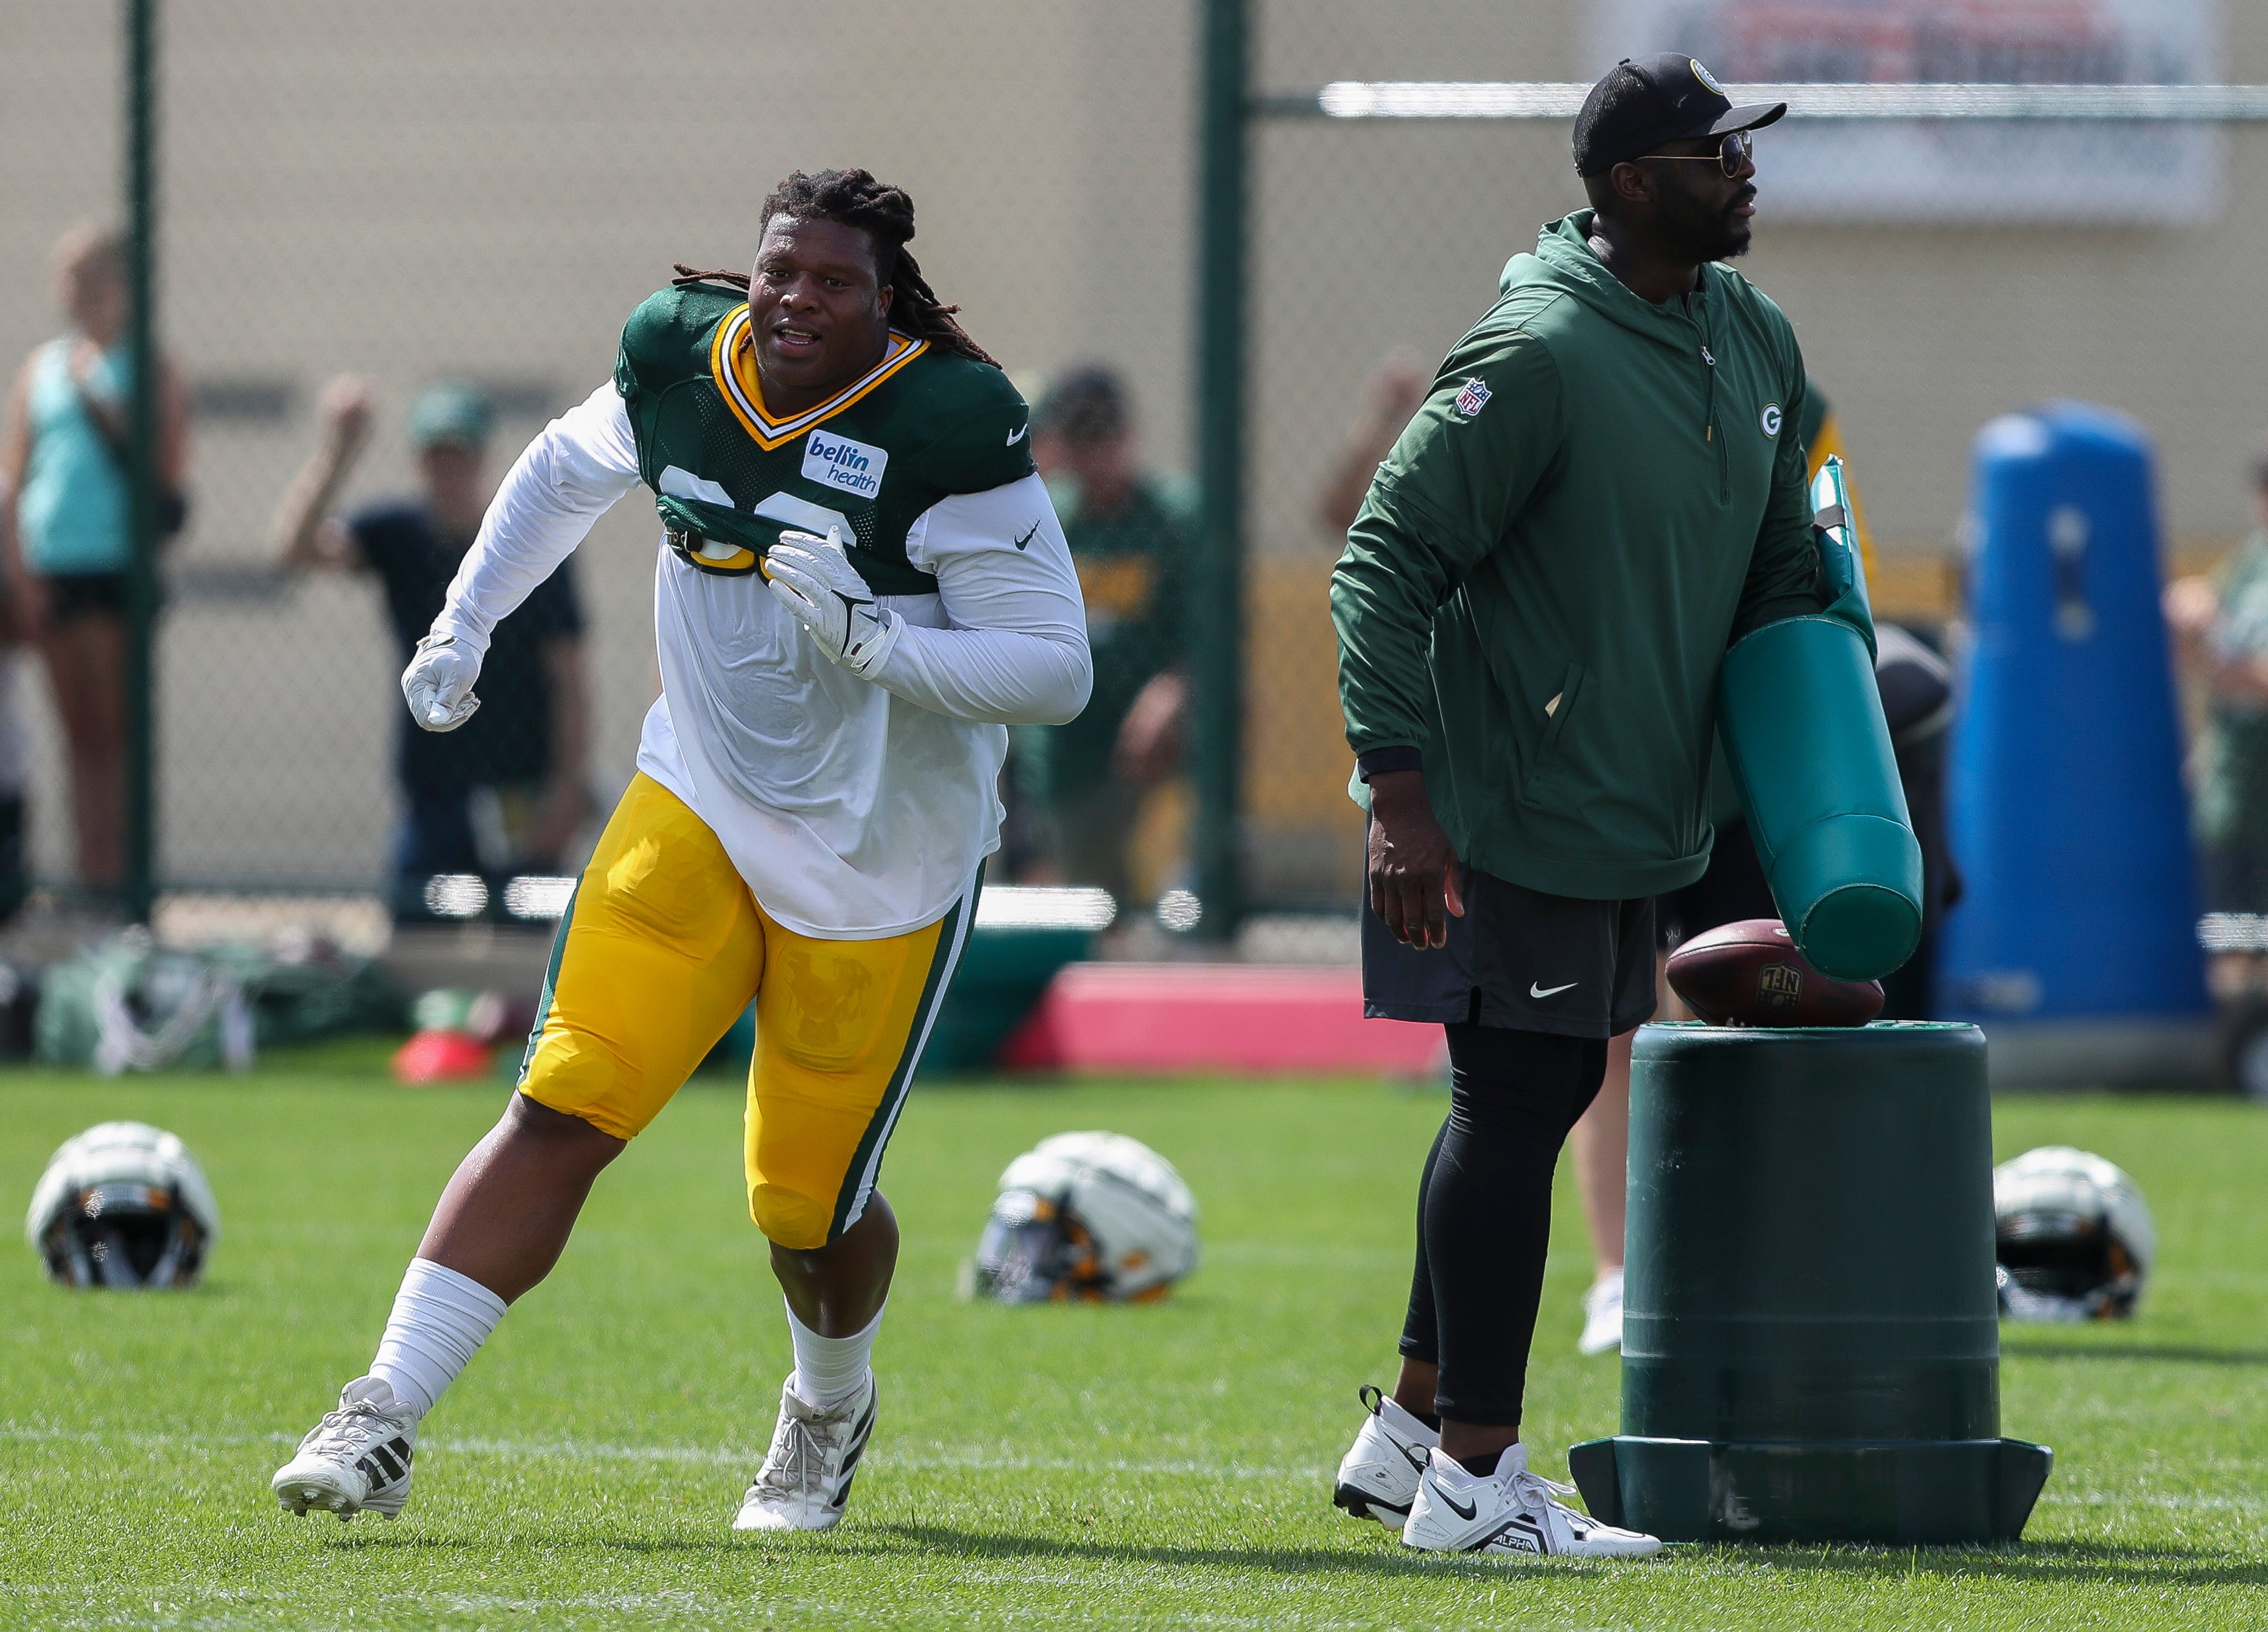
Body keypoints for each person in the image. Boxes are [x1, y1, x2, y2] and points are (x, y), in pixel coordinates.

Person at [270, 168, 1089, 1533]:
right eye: (779, 270)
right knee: (562, 1096)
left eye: (831, 281)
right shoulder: (679, 352)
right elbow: (560, 469)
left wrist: (882, 639)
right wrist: (462, 624)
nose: (793, 299)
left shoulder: (946, 424)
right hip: (697, 799)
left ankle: (827, 1402)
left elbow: (1053, 667)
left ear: (885, 301)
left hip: (876, 859)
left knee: (802, 1201)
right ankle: (380, 1407)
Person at [1328, 56, 1816, 1559]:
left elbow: (1781, 557)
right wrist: (1399, 794)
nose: (1741, 170)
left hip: (1635, 800)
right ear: (1622, 186)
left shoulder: (1751, 334)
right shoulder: (1536, 349)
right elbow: (1382, 560)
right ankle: (1480, 1483)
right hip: (1508, 803)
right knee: (1517, 1100)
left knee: (1527, 1106)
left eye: (1744, 147)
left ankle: (1410, 1432)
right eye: (1708, 152)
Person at [1564, 387, 1962, 1358]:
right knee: (1614, 1017)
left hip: (1751, 745)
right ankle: (1617, 1275)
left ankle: (1765, 1256)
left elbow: (1821, 563)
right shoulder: (1571, 370)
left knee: (1768, 998)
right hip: (1619, 744)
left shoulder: (1780, 384)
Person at [270, 376, 594, 911]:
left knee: (528, 948)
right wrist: (339, 449)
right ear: (418, 462)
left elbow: (570, 680)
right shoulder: (398, 535)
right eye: (435, 456)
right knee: (414, 926)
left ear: (482, 458)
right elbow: (295, 551)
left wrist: (565, 793)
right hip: (433, 794)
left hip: (521, 792)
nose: (448, 471)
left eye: (459, 456)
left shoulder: (529, 542)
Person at [0, 223, 190, 900]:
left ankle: (119, 882)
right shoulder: (39, 369)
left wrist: (103, 402)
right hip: (52, 569)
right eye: (71, 279)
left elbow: (165, 476)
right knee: (75, 736)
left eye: (95, 278)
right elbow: (17, 475)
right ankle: (88, 880)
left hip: (115, 572)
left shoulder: (151, 368)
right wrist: (23, 575)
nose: (81, 294)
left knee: (114, 734)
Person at [1016, 366, 1193, 908]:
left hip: (1154, 722)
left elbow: (1210, 634)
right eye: (1080, 434)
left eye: (1105, 431)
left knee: (1222, 702)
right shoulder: (1049, 519)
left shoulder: (1171, 517)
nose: (1096, 448)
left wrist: (1173, 690)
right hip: (1074, 735)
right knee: (1093, 897)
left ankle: (1191, 883)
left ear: (1127, 433)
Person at [2168, 444, 2268, 982]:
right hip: (2234, 795)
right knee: (2232, 937)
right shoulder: (2251, 561)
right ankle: (2238, 1042)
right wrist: (2188, 612)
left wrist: (2240, 673)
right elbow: (2193, 641)